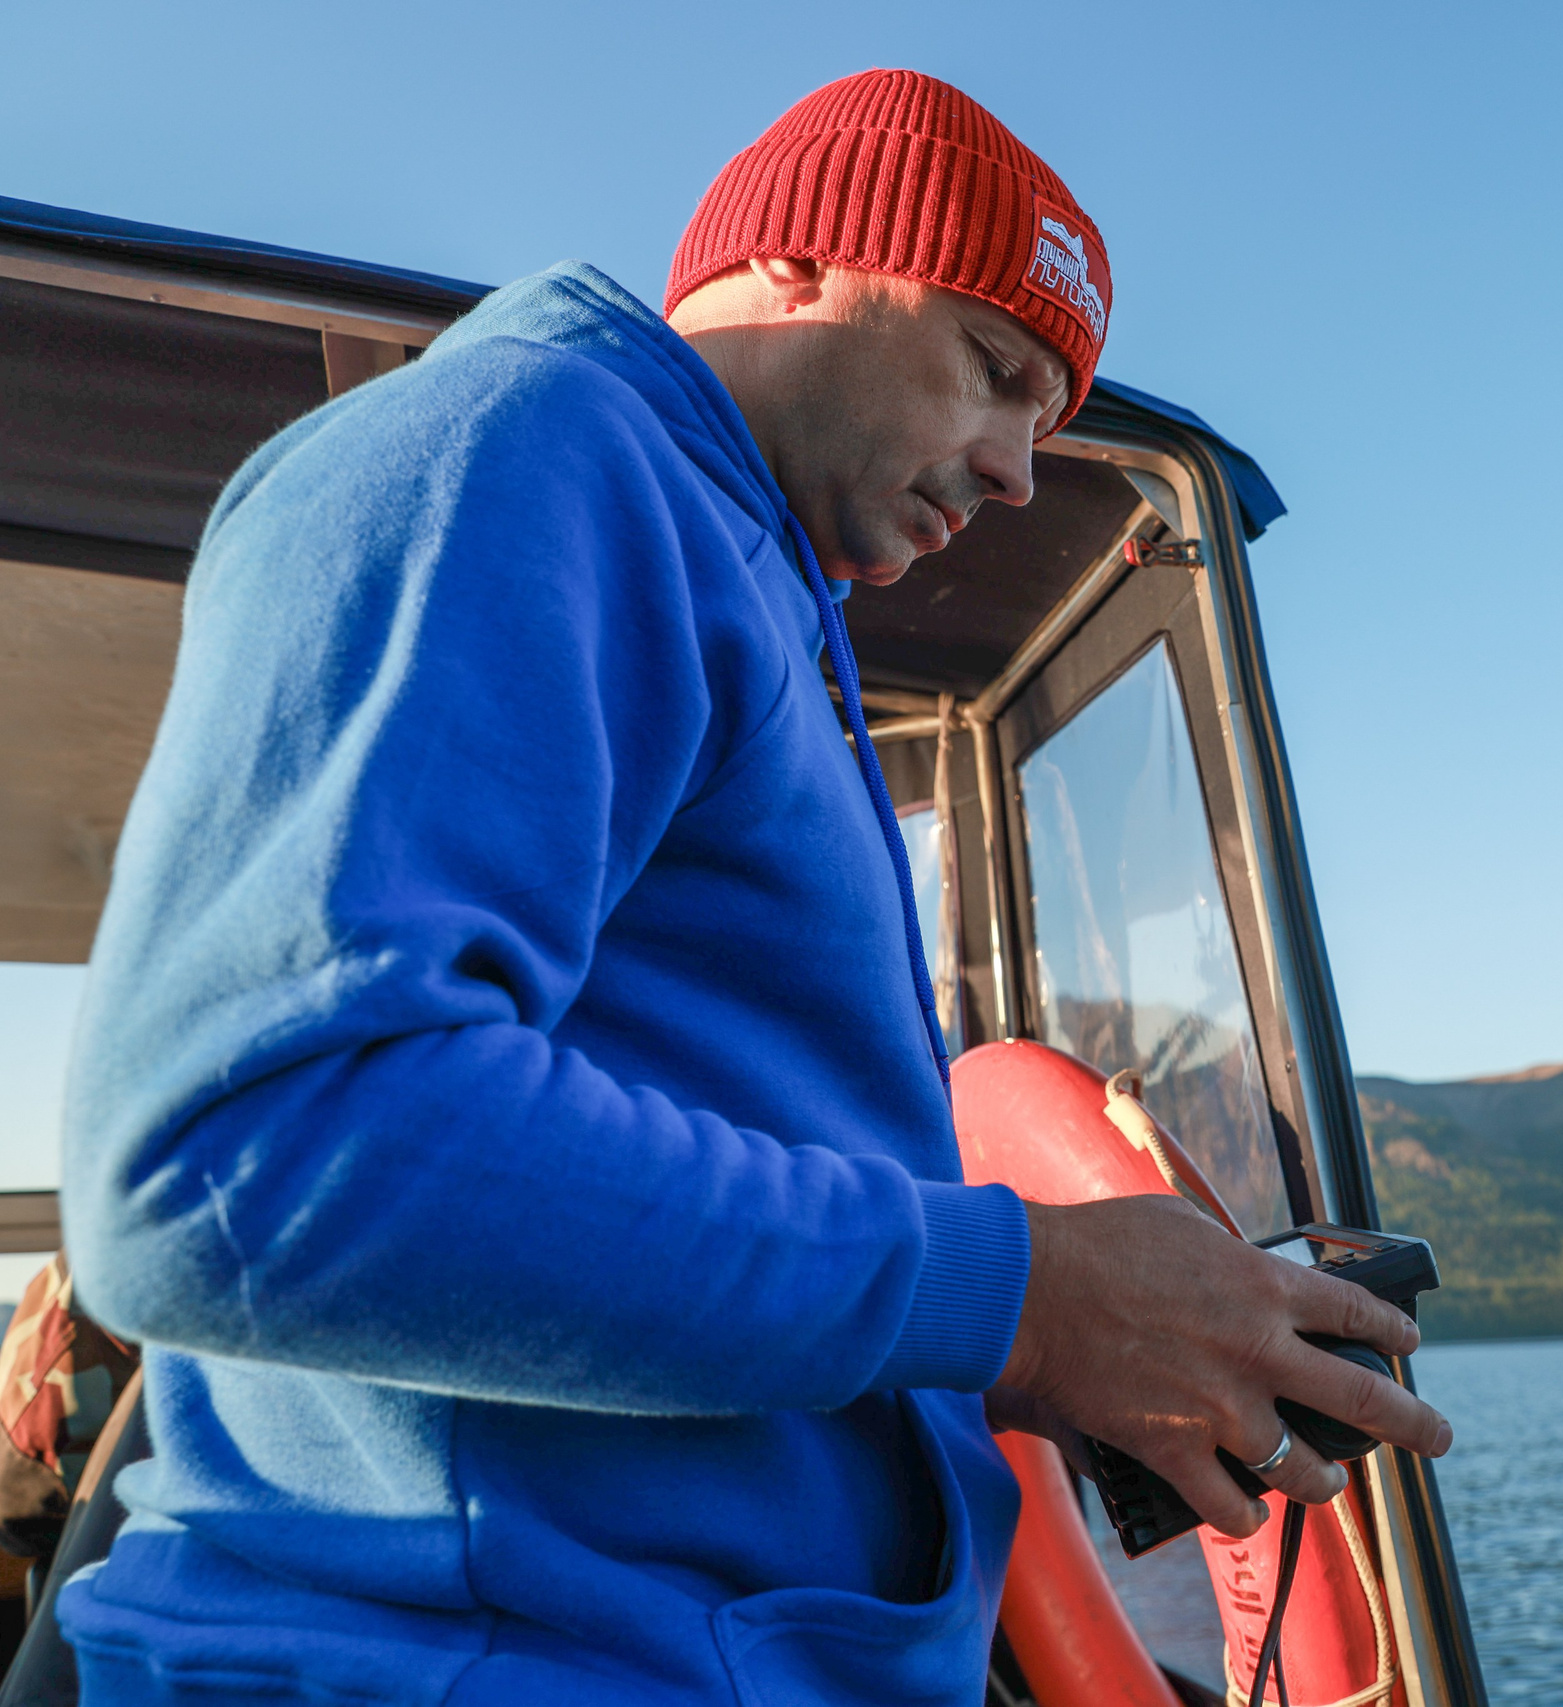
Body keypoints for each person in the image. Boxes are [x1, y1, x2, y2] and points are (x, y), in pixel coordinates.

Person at [55, 69, 1449, 1707]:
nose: (1018, 468)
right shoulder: (525, 449)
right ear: (795, 259)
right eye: (993, 370)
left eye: (1048, 421)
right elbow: (247, 1153)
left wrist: (1052, 1345)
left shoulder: (745, 588)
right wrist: (1025, 1299)